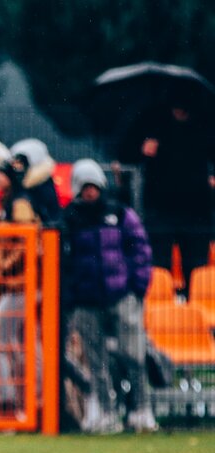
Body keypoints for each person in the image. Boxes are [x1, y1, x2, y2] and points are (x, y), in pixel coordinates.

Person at [62, 159, 155, 433]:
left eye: (93, 186)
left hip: (121, 295)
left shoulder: (119, 213)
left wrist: (137, 288)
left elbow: (140, 249)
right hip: (86, 301)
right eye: (85, 187)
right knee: (96, 361)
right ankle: (106, 413)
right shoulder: (70, 219)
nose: (90, 192)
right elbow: (65, 262)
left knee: (134, 354)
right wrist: (72, 297)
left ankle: (141, 410)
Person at [0, 139, 60, 416]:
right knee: (27, 345)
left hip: (21, 286)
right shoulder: (16, 200)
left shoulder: (20, 202)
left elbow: (29, 243)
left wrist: (4, 265)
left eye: (1, 173)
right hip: (22, 285)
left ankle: (8, 405)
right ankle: (36, 404)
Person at [121, 103, 215, 296]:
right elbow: (125, 153)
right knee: (159, 270)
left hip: (196, 212)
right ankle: (161, 307)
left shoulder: (205, 122)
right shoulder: (151, 120)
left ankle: (193, 308)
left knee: (197, 271)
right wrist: (142, 148)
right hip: (161, 211)